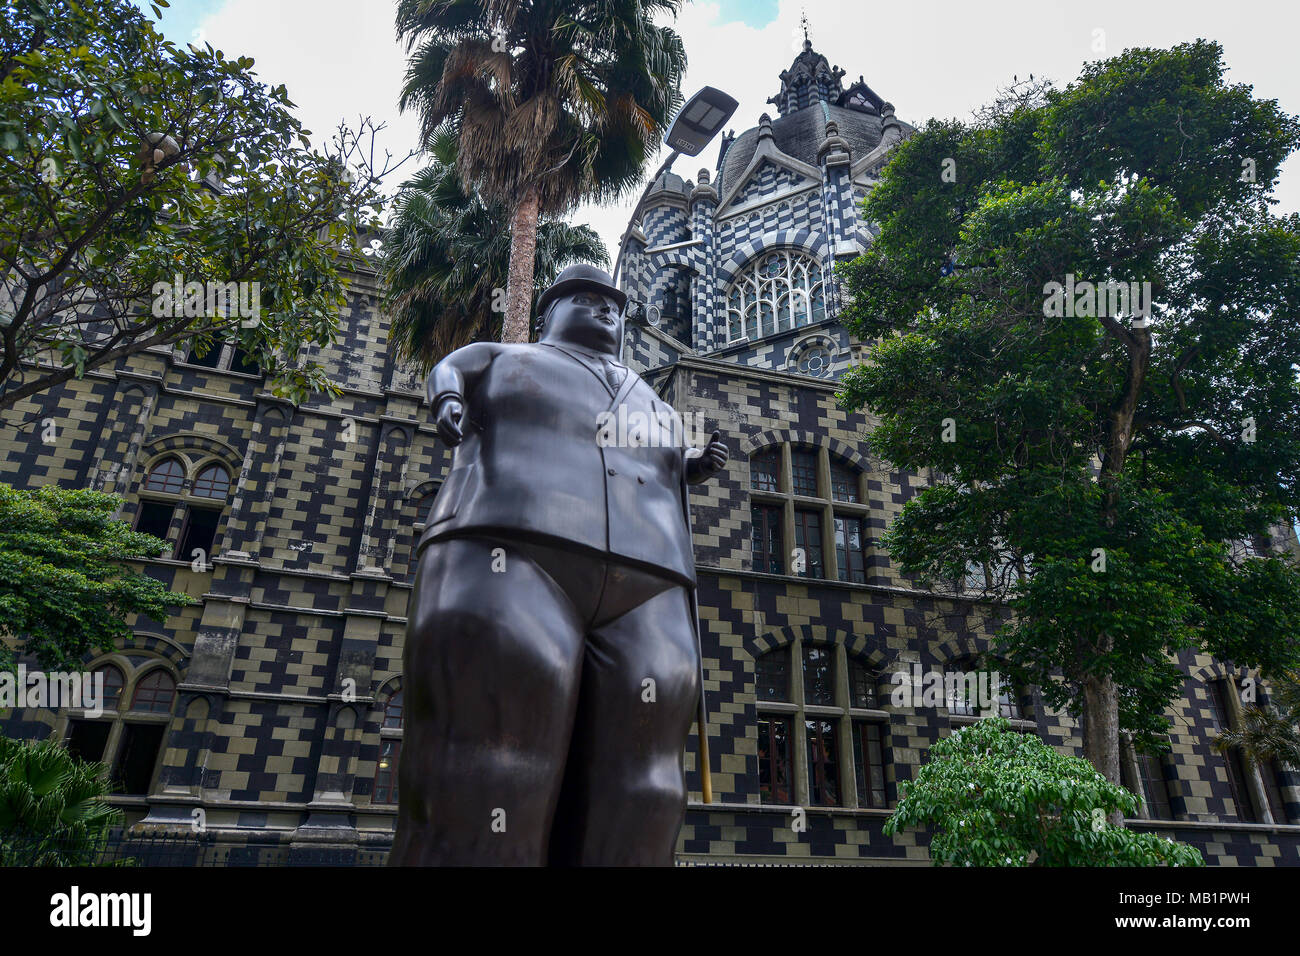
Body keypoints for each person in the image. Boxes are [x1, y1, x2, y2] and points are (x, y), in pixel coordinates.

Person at [389, 264, 728, 866]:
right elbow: (451, 372)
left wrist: (692, 466)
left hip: (649, 580)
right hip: (513, 548)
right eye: (586, 298)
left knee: (642, 787)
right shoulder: (500, 357)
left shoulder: (653, 401)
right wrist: (445, 400)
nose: (605, 310)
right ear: (550, 311)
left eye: (613, 306)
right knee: (492, 763)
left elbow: (663, 467)